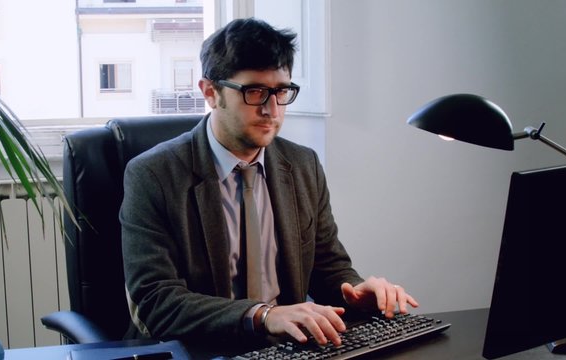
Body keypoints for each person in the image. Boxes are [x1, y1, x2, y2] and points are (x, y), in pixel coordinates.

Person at [120, 17, 418, 347]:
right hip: (200, 349)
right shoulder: (153, 175)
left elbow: (329, 268)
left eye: (281, 92)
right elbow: (157, 303)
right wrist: (263, 315)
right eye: (255, 92)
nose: (272, 110)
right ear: (210, 92)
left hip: (288, 349)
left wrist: (355, 292)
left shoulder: (303, 165)